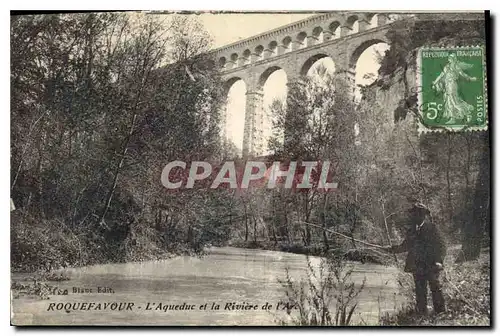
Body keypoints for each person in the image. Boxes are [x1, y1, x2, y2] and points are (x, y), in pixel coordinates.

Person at [384, 202, 447, 315]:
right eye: (413, 214)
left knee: (435, 288)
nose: (413, 216)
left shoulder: (432, 228)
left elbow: (442, 246)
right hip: (417, 266)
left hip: (432, 265)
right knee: (420, 290)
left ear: (423, 215)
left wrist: (439, 261)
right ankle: (422, 314)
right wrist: (391, 249)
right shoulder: (411, 230)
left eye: (417, 214)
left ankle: (441, 313)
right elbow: (405, 246)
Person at [431, 53, 477, 124]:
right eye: (449, 58)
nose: (449, 59)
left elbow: (462, 74)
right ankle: (452, 119)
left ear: (453, 59)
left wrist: (470, 78)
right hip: (447, 85)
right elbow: (441, 75)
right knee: (449, 102)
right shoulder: (446, 67)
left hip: (452, 85)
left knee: (454, 102)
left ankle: (468, 114)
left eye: (450, 58)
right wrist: (435, 82)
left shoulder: (456, 66)